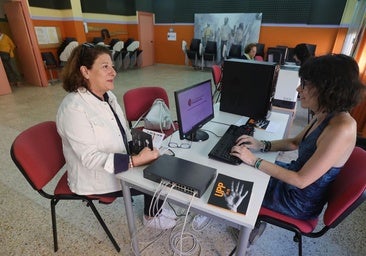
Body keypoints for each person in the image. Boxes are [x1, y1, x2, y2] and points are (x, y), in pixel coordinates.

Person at [231, 54, 364, 243]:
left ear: (326, 88)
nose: (298, 89)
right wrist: (261, 145)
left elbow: (301, 180)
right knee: (243, 167)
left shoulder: (341, 129)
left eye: (305, 85)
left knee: (239, 180)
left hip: (298, 201)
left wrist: (254, 160)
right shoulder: (326, 113)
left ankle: (246, 231)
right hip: (294, 181)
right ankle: (254, 222)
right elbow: (294, 143)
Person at [56, 43, 177, 230]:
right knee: (158, 176)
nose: (113, 72)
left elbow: (124, 131)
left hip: (118, 161)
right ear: (85, 72)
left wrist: (140, 149)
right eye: (105, 66)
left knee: (163, 160)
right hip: (94, 177)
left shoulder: (107, 96)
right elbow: (91, 159)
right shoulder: (73, 108)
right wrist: (135, 161)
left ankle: (154, 209)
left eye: (112, 66)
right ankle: (152, 216)